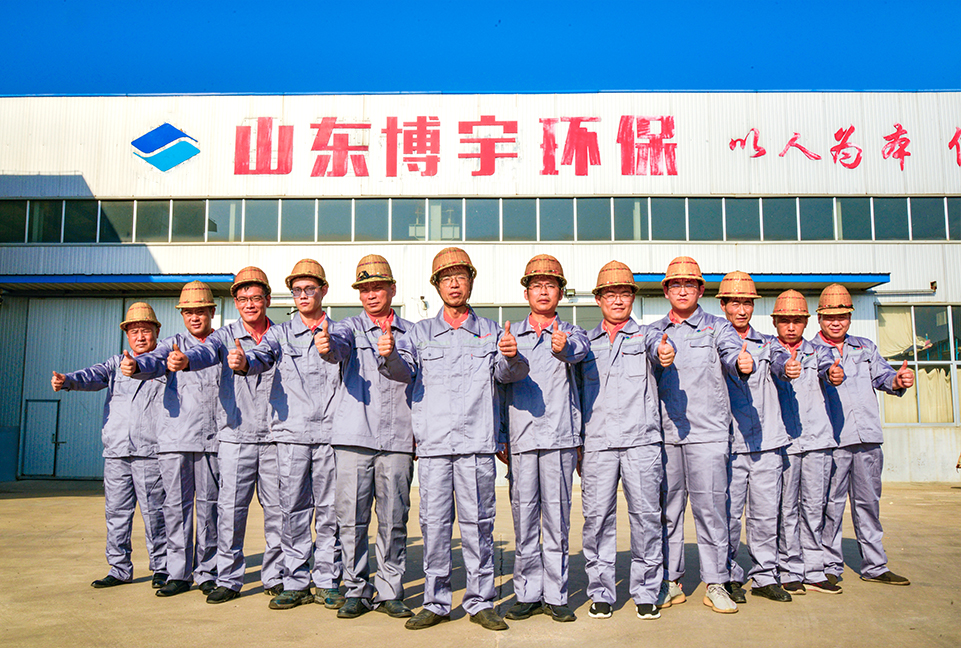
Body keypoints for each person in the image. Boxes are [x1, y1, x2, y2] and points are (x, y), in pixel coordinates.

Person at [379, 247, 529, 632]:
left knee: (479, 526)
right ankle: (436, 602)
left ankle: (480, 601)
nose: (454, 284)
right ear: (437, 286)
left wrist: (511, 357)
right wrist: (389, 355)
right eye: (446, 278)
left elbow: (507, 375)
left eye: (460, 276)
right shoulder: (419, 334)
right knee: (434, 526)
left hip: (476, 446)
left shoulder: (492, 331)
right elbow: (402, 372)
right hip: (434, 447)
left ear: (471, 281)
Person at [236, 259, 351, 610]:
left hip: (330, 435)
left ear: (323, 290)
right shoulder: (280, 334)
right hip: (291, 435)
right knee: (293, 510)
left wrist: (329, 345)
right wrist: (245, 363)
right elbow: (262, 355)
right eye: (297, 290)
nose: (303, 295)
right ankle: (296, 580)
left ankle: (327, 580)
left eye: (309, 289)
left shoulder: (341, 330)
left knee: (330, 511)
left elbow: (343, 352)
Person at [170, 266, 284, 604]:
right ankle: (229, 578)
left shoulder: (281, 335)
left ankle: (275, 576)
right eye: (243, 298)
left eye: (256, 297)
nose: (250, 304)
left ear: (267, 299)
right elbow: (204, 352)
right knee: (230, 511)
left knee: (277, 512)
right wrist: (186, 359)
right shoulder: (223, 337)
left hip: (275, 437)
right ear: (235, 302)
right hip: (236, 436)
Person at [650, 256, 754, 614]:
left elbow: (732, 353)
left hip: (708, 433)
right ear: (666, 291)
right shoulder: (655, 330)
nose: (682, 291)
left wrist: (741, 363)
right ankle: (670, 581)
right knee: (668, 511)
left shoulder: (717, 328)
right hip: (667, 433)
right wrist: (659, 353)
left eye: (689, 284)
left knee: (712, 510)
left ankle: (716, 583)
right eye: (676, 285)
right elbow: (650, 355)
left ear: (700, 290)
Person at [579, 261, 676, 621]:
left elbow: (660, 351)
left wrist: (665, 354)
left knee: (646, 517)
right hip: (598, 443)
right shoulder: (585, 343)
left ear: (633, 298)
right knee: (597, 520)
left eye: (624, 294)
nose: (617, 300)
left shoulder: (648, 335)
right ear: (598, 299)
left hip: (641, 442)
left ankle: (646, 591)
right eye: (610, 294)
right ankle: (601, 592)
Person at [51, 302, 167, 590]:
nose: (140, 336)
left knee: (155, 513)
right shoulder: (115, 364)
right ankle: (119, 569)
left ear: (156, 331)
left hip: (150, 453)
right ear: (126, 335)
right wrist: (68, 380)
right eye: (134, 331)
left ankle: (162, 568)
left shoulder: (165, 363)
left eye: (145, 330)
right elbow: (92, 375)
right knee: (116, 514)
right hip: (116, 452)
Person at [502, 254, 589, 624]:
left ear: (560, 293)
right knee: (524, 519)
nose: (543, 291)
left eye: (550, 285)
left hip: (559, 438)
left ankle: (555, 595)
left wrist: (562, 348)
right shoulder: (509, 337)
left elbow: (579, 353)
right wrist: (501, 436)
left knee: (556, 520)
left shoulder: (572, 332)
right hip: (521, 438)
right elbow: (498, 387)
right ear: (526, 293)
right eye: (536, 285)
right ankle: (526, 593)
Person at [329, 255, 415, 620]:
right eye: (365, 289)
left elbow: (416, 378)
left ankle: (390, 591)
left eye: (378, 287)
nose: (371, 295)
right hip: (354, 437)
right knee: (351, 519)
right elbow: (335, 347)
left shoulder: (412, 333)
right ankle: (355, 589)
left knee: (394, 519)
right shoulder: (347, 328)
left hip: (398, 438)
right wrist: (326, 344)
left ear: (392, 289)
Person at [811, 284, 914, 587]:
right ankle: (829, 565)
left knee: (868, 504)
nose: (836, 322)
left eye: (842, 316)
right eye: (830, 317)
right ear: (819, 318)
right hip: (832, 441)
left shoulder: (865, 347)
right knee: (830, 506)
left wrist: (898, 380)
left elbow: (883, 377)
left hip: (867, 438)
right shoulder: (811, 350)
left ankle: (875, 565)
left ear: (850, 318)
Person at [124, 281, 221, 597]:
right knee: (176, 508)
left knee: (209, 509)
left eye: (200, 311)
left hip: (212, 440)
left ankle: (207, 571)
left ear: (212, 311)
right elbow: (152, 361)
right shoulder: (170, 345)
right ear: (182, 315)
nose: (194, 317)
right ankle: (178, 573)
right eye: (188, 312)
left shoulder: (221, 343)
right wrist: (136, 365)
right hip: (175, 440)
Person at [716, 272, 792, 604]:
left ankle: (764, 576)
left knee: (765, 514)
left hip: (767, 442)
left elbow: (780, 362)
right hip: (730, 444)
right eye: (735, 302)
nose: (741, 309)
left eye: (747, 302)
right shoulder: (713, 341)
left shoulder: (768, 343)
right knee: (728, 515)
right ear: (723, 305)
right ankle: (729, 576)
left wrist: (787, 368)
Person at [771, 289, 844, 595]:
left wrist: (834, 374)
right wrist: (785, 368)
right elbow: (776, 366)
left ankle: (814, 569)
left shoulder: (819, 351)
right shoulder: (769, 349)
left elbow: (829, 369)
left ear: (806, 322)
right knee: (786, 507)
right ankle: (789, 569)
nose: (791, 327)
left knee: (814, 506)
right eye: (785, 321)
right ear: (775, 323)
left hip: (817, 440)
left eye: (797, 321)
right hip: (785, 442)